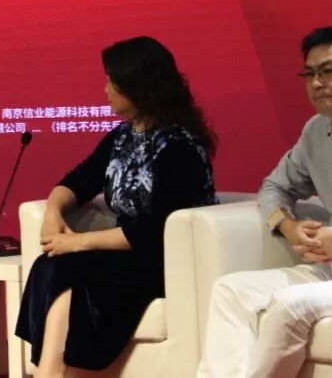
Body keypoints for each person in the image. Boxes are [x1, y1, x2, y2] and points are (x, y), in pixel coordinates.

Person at [198, 26, 332, 377]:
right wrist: (287, 225)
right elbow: (274, 187)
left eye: (328, 71)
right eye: (309, 74)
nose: (317, 83)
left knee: (289, 306)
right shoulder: (315, 131)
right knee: (230, 290)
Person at [15, 36, 219, 378]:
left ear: (138, 87)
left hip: (162, 261)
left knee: (74, 270)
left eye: (112, 82)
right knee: (51, 265)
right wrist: (53, 212)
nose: (105, 89)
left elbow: (156, 230)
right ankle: (50, 371)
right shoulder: (122, 137)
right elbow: (78, 181)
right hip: (125, 254)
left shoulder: (179, 147)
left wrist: (78, 242)